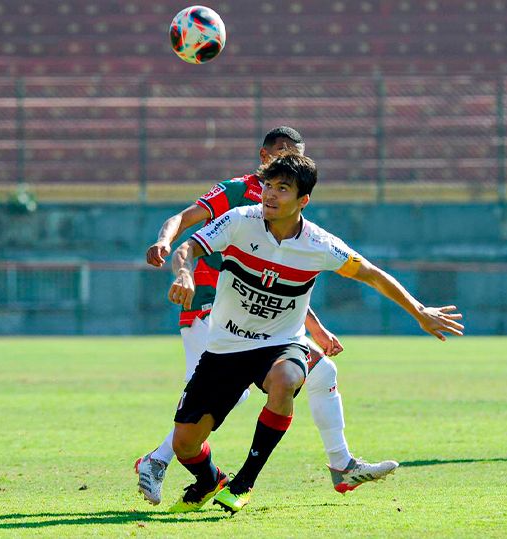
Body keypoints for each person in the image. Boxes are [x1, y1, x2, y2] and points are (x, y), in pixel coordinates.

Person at [166, 151, 464, 513]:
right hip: (224, 348)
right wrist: (184, 272)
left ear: (303, 200)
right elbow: (188, 248)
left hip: (280, 345)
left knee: (288, 376)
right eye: (268, 186)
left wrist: (419, 311)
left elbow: (371, 274)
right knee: (185, 445)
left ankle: (244, 483)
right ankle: (212, 480)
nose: (270, 195)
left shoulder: (320, 244)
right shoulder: (239, 221)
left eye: (282, 189)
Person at [135, 127, 397, 507]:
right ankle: (160, 459)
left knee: (317, 371)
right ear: (263, 156)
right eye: (280, 153)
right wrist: (167, 244)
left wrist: (314, 325)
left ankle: (340, 465)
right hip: (207, 306)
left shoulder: (290, 208)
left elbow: (283, 277)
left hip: (262, 325)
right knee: (226, 398)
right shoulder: (241, 195)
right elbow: (184, 220)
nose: (287, 161)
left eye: (296, 154)